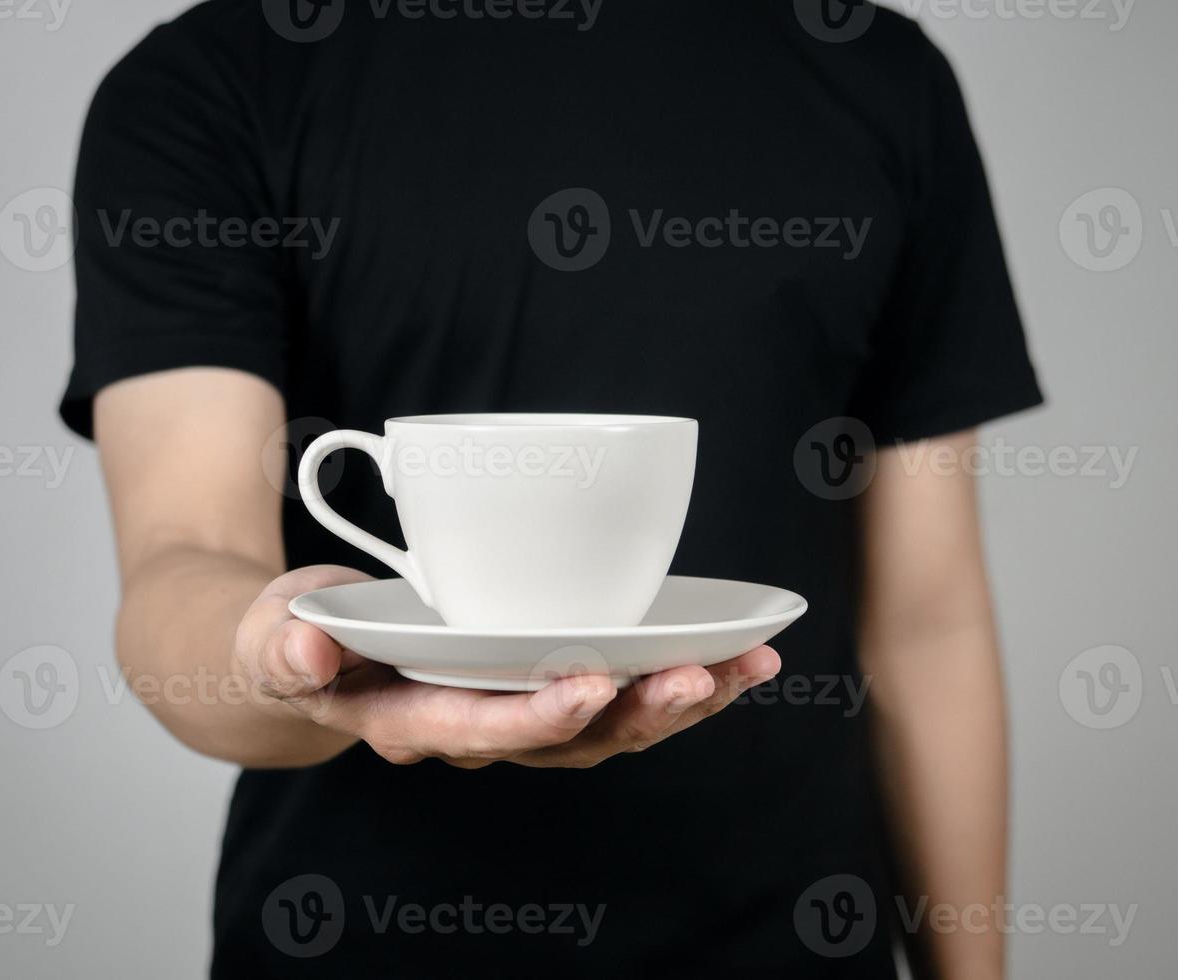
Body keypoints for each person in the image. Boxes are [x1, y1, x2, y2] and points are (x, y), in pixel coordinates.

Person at [60, 1, 1042, 976]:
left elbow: (927, 621)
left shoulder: (876, 72)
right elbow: (181, 559)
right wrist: (289, 652)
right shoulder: (210, 79)